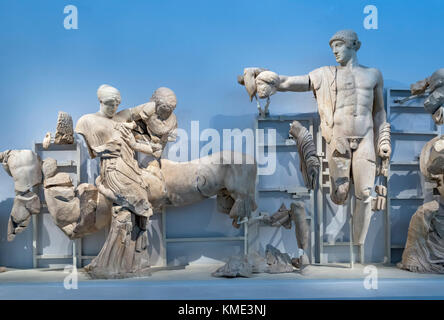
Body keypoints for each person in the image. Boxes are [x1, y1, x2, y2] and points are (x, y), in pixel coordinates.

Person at [240, 30, 391, 245]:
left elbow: (378, 111)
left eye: (339, 45)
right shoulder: (325, 74)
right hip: (338, 138)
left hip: (366, 138)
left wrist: (382, 139)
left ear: (355, 45)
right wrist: (272, 80)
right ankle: (342, 195)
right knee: (340, 193)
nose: (335, 51)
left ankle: (359, 246)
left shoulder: (374, 75)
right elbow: (291, 82)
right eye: (332, 48)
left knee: (365, 195)